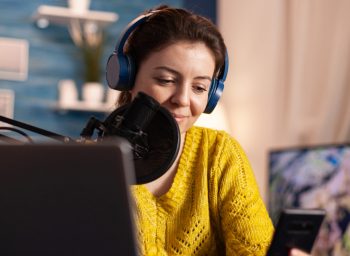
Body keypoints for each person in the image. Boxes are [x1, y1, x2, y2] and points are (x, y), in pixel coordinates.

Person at [108, 5, 311, 256]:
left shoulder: (220, 153)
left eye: (199, 88)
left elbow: (255, 249)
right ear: (127, 77)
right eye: (166, 80)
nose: (183, 99)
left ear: (212, 96)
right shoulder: (93, 165)